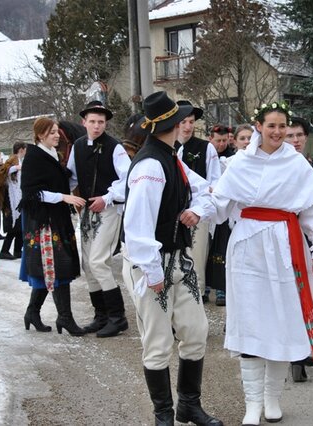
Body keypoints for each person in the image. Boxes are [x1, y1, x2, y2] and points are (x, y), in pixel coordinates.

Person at [210, 101, 313, 425]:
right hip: (248, 248)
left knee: (281, 322)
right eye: (272, 126)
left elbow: (312, 211)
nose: (278, 132)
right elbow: (220, 206)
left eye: (283, 127)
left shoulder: (296, 165)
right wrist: (199, 211)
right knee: (252, 322)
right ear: (259, 126)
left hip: (285, 247)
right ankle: (252, 403)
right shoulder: (239, 164)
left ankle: (272, 397)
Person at [121, 91, 222, 426]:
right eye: (182, 119)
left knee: (195, 331)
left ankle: (188, 406)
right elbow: (137, 225)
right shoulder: (150, 164)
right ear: (174, 124)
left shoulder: (171, 157)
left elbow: (206, 190)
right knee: (158, 341)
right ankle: (163, 415)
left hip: (179, 258)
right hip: (152, 263)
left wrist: (196, 208)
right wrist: (152, 271)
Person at [67, 100, 131, 338]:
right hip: (85, 212)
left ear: (106, 124)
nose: (96, 126)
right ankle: (101, 316)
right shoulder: (78, 146)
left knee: (98, 261)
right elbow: (72, 177)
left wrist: (107, 197)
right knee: (88, 265)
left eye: (101, 122)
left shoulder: (115, 147)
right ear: (84, 122)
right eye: (92, 121)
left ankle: (118, 317)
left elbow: (127, 179)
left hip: (108, 210)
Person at [19, 117, 87, 333]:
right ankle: (65, 318)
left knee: (53, 267)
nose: (57, 136)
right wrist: (64, 197)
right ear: (40, 135)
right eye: (52, 133)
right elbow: (31, 193)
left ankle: (33, 312)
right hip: (43, 221)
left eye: (57, 132)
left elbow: (60, 180)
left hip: (56, 219)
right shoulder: (33, 157)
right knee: (56, 267)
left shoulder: (51, 155)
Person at [176, 100, 221, 304]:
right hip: (173, 213)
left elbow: (214, 181)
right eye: (183, 121)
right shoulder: (168, 146)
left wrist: (203, 204)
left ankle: (197, 298)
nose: (187, 126)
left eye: (191, 121)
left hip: (198, 211)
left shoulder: (206, 148)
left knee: (196, 258)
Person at [206, 124, 234, 306]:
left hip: (226, 207)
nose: (222, 144)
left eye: (225, 140)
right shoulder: (207, 153)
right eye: (218, 140)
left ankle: (222, 288)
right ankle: (207, 284)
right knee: (207, 248)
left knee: (222, 248)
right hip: (210, 204)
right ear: (211, 139)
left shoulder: (232, 158)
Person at [0, 142, 27, 260]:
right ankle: (4, 251)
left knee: (20, 227)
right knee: (13, 228)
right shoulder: (13, 160)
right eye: (25, 149)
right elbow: (3, 172)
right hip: (12, 199)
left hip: (19, 198)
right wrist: (15, 168)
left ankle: (17, 250)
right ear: (21, 149)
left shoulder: (19, 160)